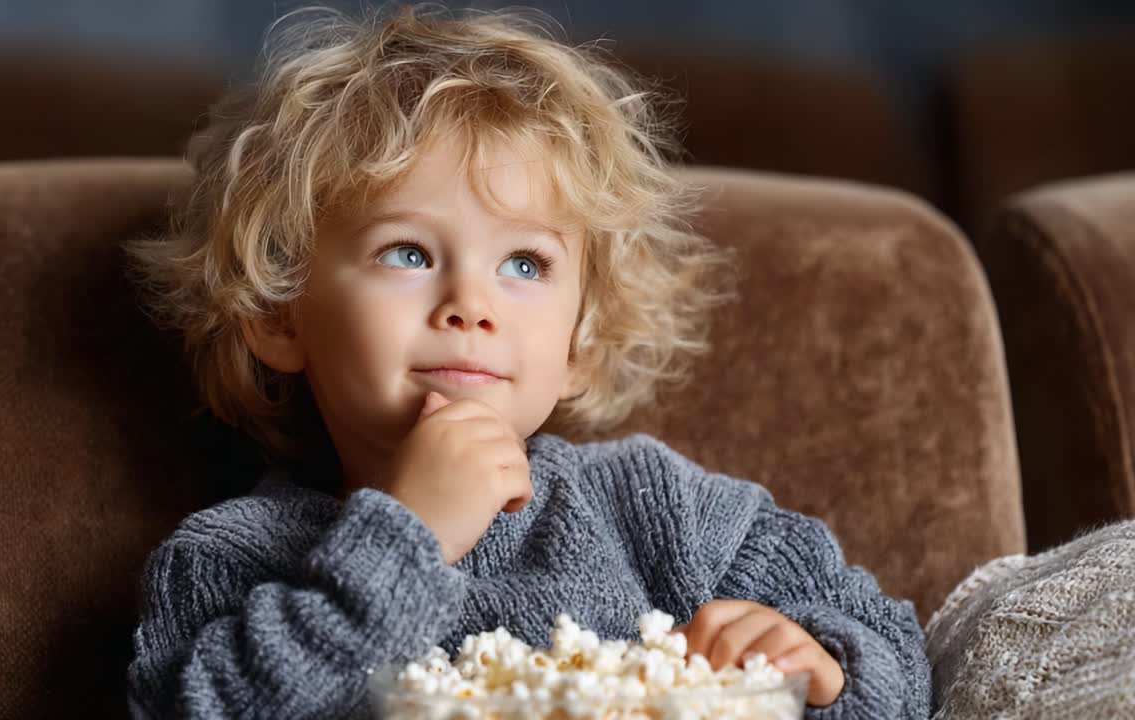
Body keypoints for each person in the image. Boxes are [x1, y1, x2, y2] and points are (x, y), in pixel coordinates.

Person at [124, 4, 930, 718]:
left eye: (524, 265)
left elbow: (893, 650)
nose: (470, 304)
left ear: (579, 341)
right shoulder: (231, 558)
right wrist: (404, 538)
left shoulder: (663, 513)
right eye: (407, 252)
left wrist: (821, 666)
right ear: (278, 314)